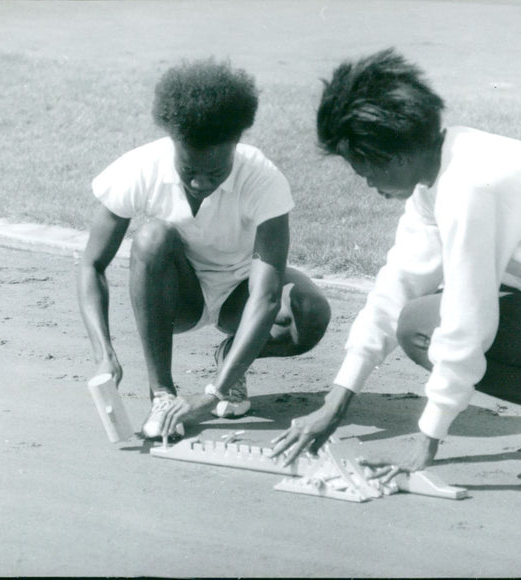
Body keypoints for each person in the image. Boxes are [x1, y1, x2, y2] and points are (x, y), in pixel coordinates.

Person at [271, 48, 521, 487]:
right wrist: (337, 399)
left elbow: (467, 322)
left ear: (394, 155)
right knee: (417, 315)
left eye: (362, 168)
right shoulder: (440, 170)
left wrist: (426, 440)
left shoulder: (469, 186)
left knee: (425, 326)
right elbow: (397, 284)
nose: (365, 182)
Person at [78, 58, 331, 441]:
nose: (199, 182)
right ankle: (162, 394)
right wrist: (104, 352)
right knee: (151, 237)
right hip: (179, 298)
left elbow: (264, 298)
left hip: (240, 296)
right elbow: (91, 266)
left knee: (309, 312)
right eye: (188, 170)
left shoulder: (263, 178)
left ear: (235, 147)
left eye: (215, 173)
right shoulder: (141, 167)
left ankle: (231, 362)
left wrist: (214, 394)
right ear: (174, 146)